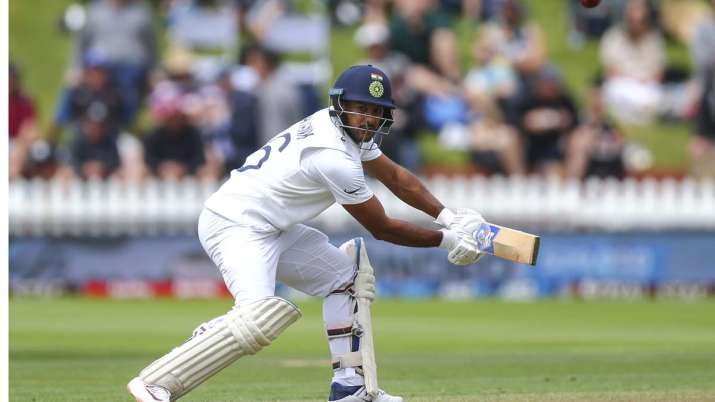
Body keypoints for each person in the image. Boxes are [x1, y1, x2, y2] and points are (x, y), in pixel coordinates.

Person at [127, 65, 486, 402]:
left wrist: (449, 216)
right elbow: (382, 227)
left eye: (376, 111)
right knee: (257, 318)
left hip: (273, 226)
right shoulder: (331, 155)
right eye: (360, 108)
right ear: (340, 105)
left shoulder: (347, 132)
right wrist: (447, 240)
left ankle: (351, 390)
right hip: (235, 223)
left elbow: (395, 178)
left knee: (347, 280)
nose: (368, 119)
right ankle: (157, 381)